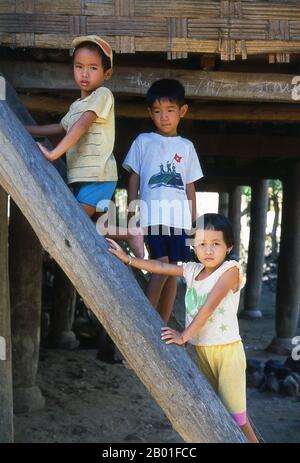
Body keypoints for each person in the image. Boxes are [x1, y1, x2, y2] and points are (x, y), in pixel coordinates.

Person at [106, 213, 259, 443]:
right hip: (203, 351)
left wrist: (183, 335)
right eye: (202, 244)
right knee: (214, 411)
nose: (208, 250)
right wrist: (128, 260)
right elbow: (159, 266)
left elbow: (209, 307)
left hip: (228, 353)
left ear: (229, 247)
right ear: (194, 246)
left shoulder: (231, 270)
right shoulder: (192, 270)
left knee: (237, 417)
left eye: (215, 244)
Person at [25, 35, 143, 258]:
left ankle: (54, 249)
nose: (85, 73)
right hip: (83, 177)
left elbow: (80, 126)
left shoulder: (102, 95)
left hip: (98, 176)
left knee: (73, 219)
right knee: (94, 227)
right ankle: (130, 234)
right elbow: (59, 127)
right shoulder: (76, 105)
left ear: (106, 74)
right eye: (79, 66)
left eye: (93, 68)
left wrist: (53, 154)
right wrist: (26, 129)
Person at [122, 79, 203, 322]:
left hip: (178, 219)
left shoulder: (186, 147)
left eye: (170, 111)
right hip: (152, 215)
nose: (164, 117)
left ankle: (163, 324)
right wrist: (132, 213)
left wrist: (193, 222)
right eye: (157, 111)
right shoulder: (143, 141)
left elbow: (190, 187)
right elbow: (134, 179)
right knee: (160, 267)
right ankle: (144, 322)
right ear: (150, 113)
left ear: (182, 111)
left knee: (172, 272)